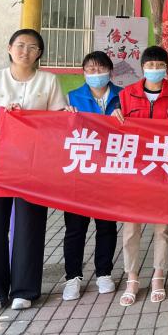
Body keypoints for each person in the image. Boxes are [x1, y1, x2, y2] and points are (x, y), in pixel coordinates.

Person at [0, 28, 68, 312]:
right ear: (9, 48)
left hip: (33, 159)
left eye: (33, 47)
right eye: (20, 45)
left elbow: (57, 121)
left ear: (40, 53)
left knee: (30, 223)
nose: (25, 51)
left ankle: (25, 290)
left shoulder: (48, 81)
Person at [116, 45, 168, 307]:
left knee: (162, 227)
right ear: (142, 67)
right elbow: (116, 130)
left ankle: (158, 275)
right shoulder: (126, 94)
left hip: (164, 170)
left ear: (166, 69)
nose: (155, 69)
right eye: (150, 65)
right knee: (130, 228)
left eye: (160, 65)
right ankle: (132, 277)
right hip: (134, 172)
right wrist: (114, 116)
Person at [61, 51, 122, 301]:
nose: (96, 74)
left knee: (106, 226)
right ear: (84, 73)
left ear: (110, 72)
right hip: (80, 172)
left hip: (110, 172)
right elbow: (60, 133)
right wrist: (65, 117)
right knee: (75, 228)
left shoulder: (123, 97)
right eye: (91, 70)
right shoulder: (72, 98)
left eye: (101, 69)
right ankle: (72, 277)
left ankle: (104, 273)